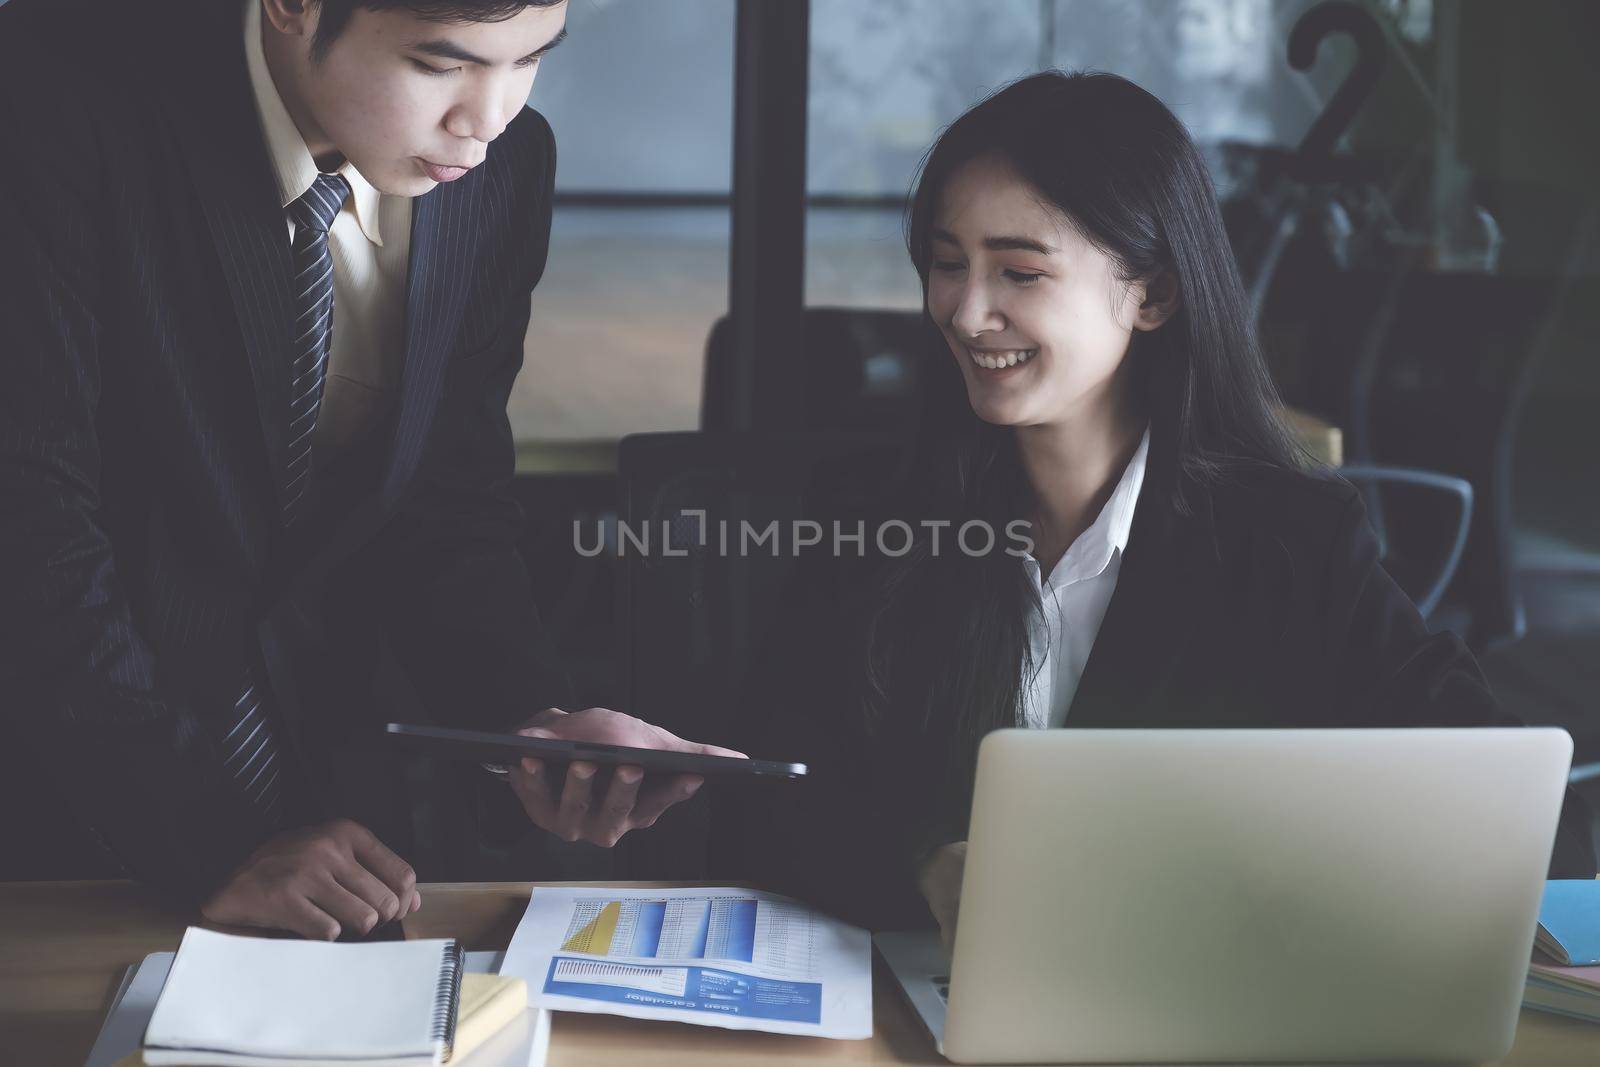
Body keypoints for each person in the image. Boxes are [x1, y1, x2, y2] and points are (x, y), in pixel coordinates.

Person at [737, 71, 1595, 944]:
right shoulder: (873, 514)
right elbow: (774, 801)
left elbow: (1497, 794)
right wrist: (924, 865)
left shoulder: (1291, 542)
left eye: (1019, 271)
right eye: (948, 264)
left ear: (1152, 294)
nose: (965, 310)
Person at [0, 0, 740, 941]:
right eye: (441, 65)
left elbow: (446, 498)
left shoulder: (502, 166)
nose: (489, 116)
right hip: (61, 797)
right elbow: (28, 516)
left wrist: (528, 722)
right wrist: (206, 835)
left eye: (529, 62)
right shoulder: (49, 102)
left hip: (330, 819)